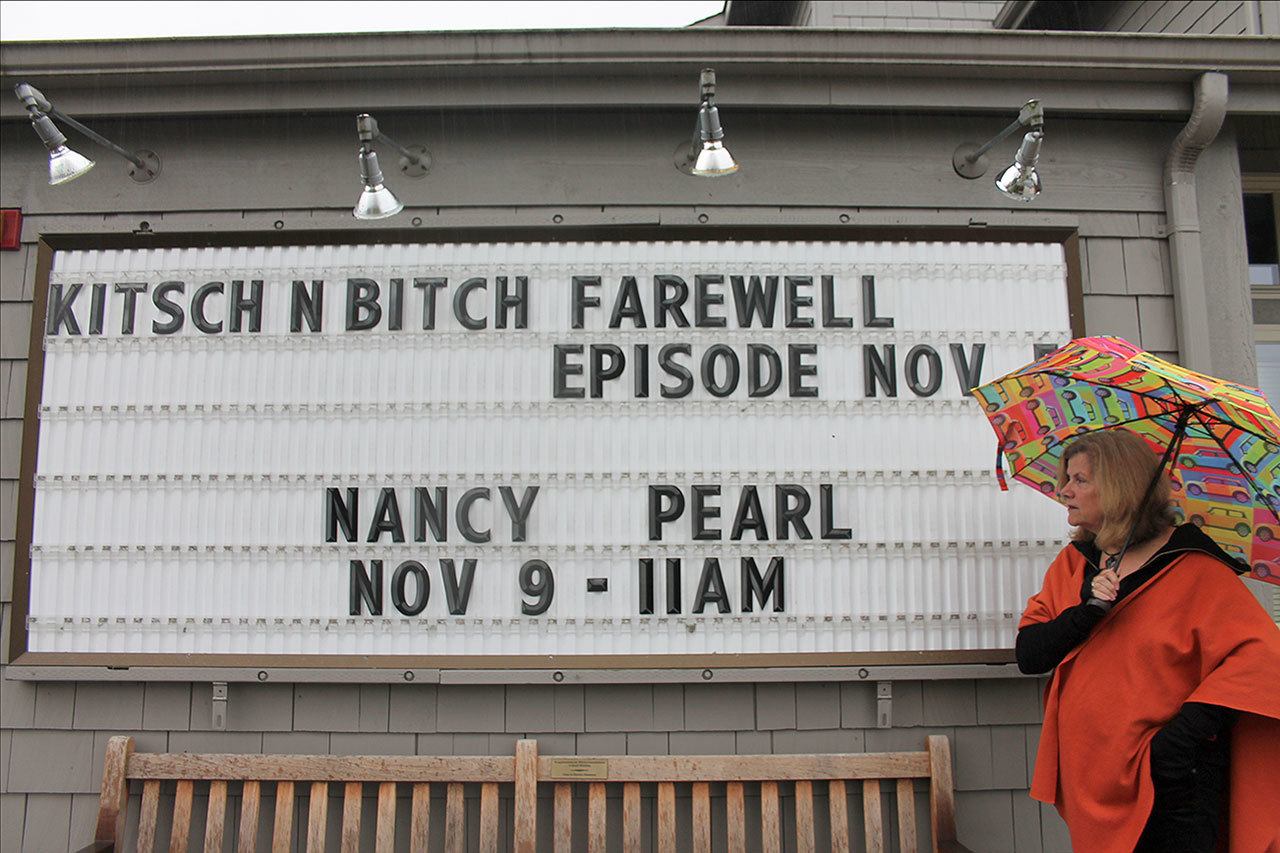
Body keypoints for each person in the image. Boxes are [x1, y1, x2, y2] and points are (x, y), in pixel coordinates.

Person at [1015, 429, 1280, 853]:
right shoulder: (1074, 563)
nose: (1064, 489)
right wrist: (1086, 611)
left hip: (1172, 786)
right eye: (1068, 477)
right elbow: (1030, 654)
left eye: (1080, 479)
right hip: (1094, 781)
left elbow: (1262, 662)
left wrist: (1174, 744)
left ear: (1121, 487)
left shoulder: (1194, 568)